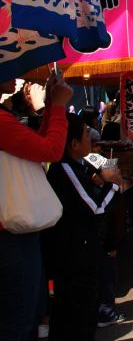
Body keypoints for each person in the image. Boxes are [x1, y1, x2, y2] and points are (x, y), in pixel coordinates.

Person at [0, 75, 72, 341]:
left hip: (13, 226)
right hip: (10, 231)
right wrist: (59, 106)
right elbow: (51, 150)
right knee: (18, 317)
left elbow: (35, 149)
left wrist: (52, 105)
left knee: (22, 311)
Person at [44, 114, 121, 340]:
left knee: (79, 315)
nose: (92, 137)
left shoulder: (76, 165)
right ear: (74, 144)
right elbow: (96, 210)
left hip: (78, 253)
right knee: (76, 318)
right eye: (87, 133)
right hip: (73, 258)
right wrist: (113, 185)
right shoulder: (65, 168)